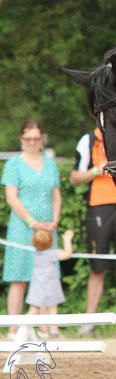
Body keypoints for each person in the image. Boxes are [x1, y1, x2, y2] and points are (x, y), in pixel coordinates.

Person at [69, 125, 116, 338]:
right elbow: (74, 178)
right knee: (97, 269)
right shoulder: (88, 140)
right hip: (98, 207)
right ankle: (88, 325)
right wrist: (96, 170)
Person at [2, 119, 61, 318]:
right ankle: (14, 327)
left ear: (41, 139)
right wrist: (32, 222)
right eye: (28, 138)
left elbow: (56, 195)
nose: (32, 142)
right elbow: (11, 197)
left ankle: (46, 327)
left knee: (47, 278)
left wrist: (54, 220)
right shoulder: (13, 164)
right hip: (22, 227)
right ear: (22, 139)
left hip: (47, 229)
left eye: (36, 138)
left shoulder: (50, 164)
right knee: (19, 278)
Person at [26, 228, 74, 339]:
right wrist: (67, 239)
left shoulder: (35, 253)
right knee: (52, 308)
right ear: (51, 242)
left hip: (37, 287)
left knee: (33, 309)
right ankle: (54, 331)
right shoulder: (52, 254)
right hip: (50, 286)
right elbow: (67, 254)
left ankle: (23, 327)